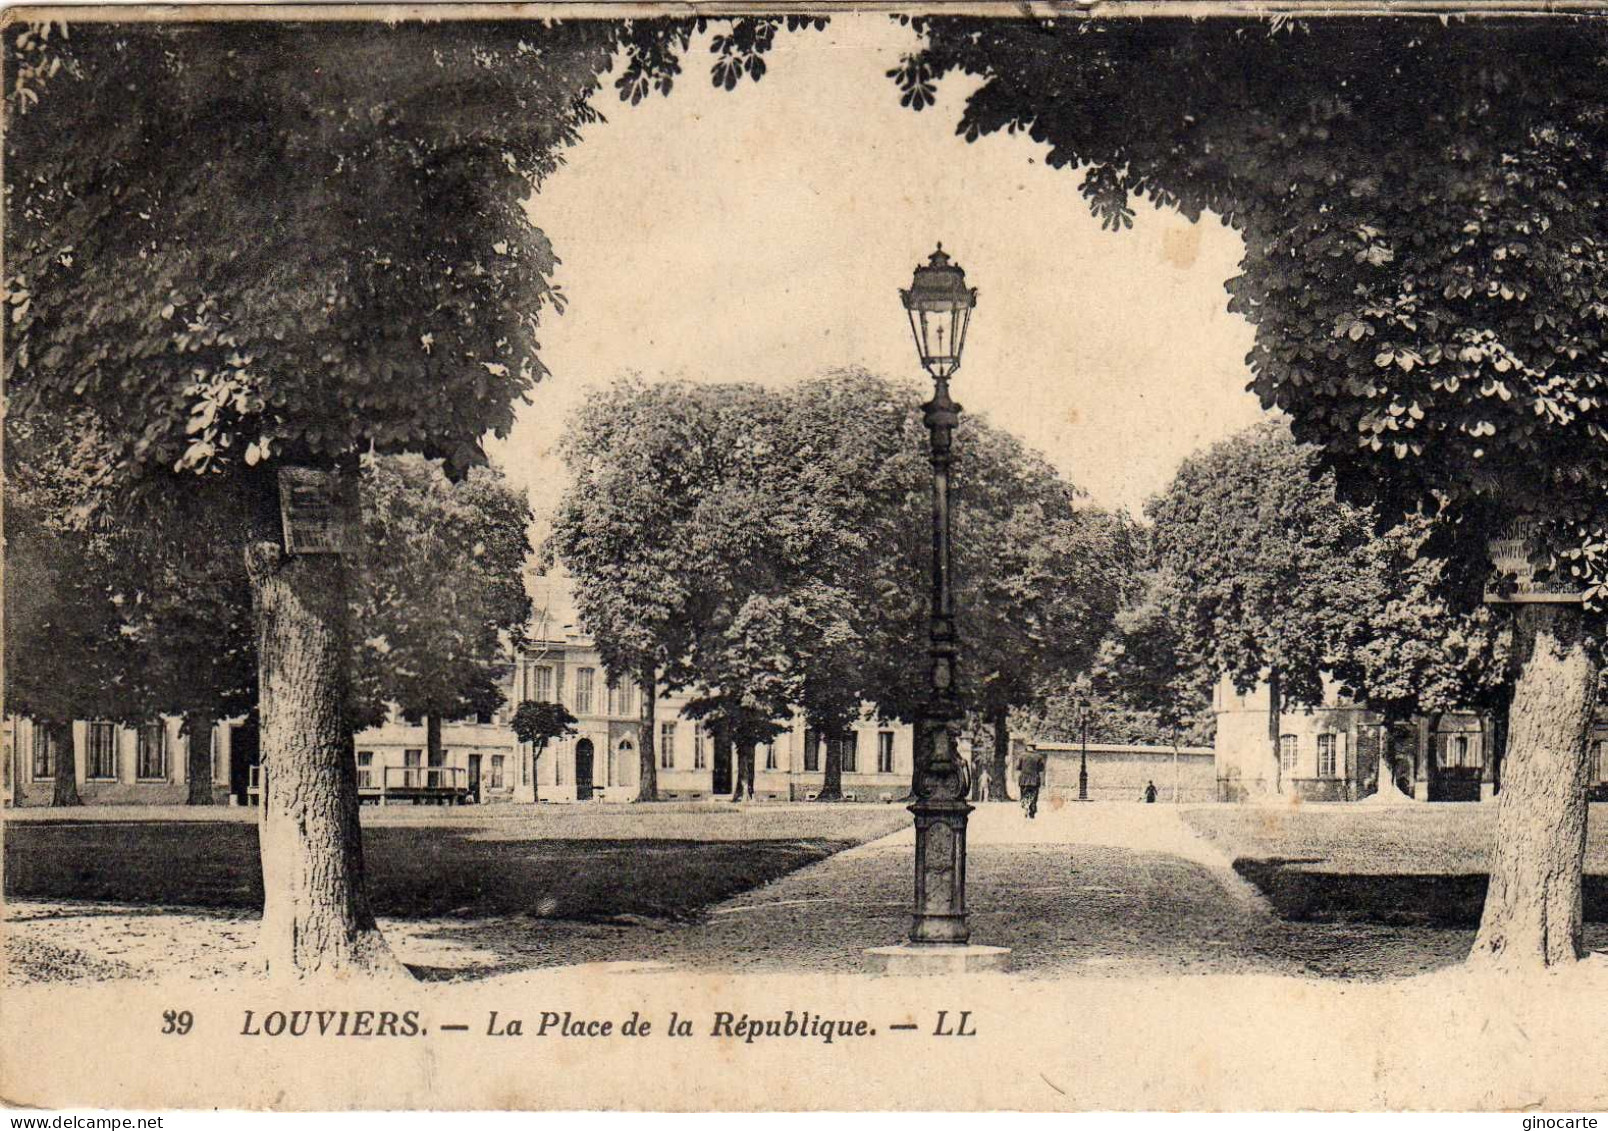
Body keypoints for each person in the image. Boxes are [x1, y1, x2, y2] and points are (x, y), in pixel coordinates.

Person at [1017, 742, 1046, 819]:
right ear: (1034, 747)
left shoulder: (1022, 756)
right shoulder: (1038, 757)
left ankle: (1025, 807)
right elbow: (1041, 769)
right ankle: (1032, 811)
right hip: (1034, 779)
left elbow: (1018, 767)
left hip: (1024, 779)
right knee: (1033, 795)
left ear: (1027, 747)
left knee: (1024, 794)